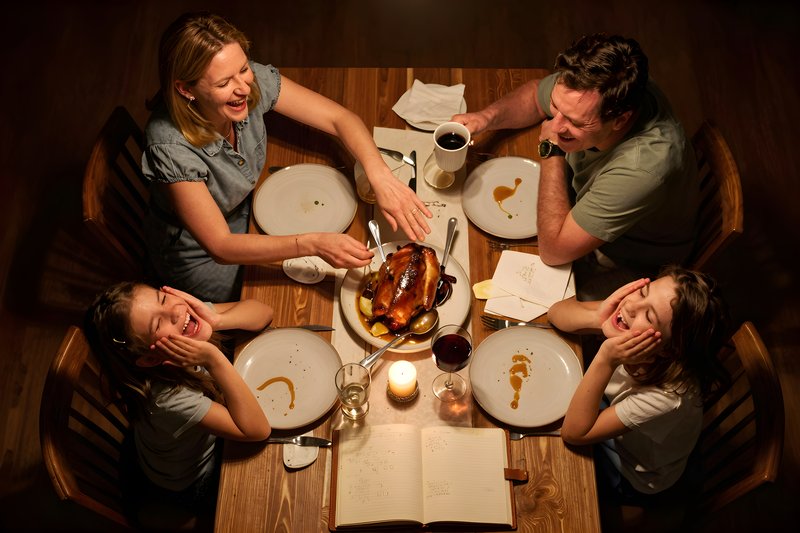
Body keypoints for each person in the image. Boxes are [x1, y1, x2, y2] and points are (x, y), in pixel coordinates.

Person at [143, 12, 431, 302]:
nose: (243, 88)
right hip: (202, 257)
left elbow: (339, 118)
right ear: (186, 89)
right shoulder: (169, 147)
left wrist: (379, 175)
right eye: (223, 84)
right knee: (295, 300)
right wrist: (314, 244)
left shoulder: (244, 81)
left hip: (248, 210)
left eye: (243, 68)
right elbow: (221, 245)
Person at [453, 33, 698, 299]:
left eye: (575, 122)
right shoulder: (604, 85)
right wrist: (484, 118)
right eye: (556, 107)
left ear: (620, 120)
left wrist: (552, 149)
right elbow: (536, 95)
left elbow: (554, 250)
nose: (556, 125)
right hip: (583, 202)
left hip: (630, 260)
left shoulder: (643, 168)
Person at [84, 282, 273, 525]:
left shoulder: (184, 321)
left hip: (170, 445)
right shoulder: (167, 398)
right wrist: (214, 359)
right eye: (157, 324)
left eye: (162, 298)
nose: (173, 311)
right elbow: (257, 430)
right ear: (151, 358)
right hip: (190, 480)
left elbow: (263, 312)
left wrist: (215, 320)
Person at [547, 265, 729, 504]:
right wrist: (598, 316)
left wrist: (606, 358)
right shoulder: (633, 319)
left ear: (668, 350)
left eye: (649, 316)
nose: (632, 306)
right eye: (643, 292)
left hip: (632, 470)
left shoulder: (668, 396)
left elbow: (574, 432)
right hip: (612, 409)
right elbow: (556, 313)